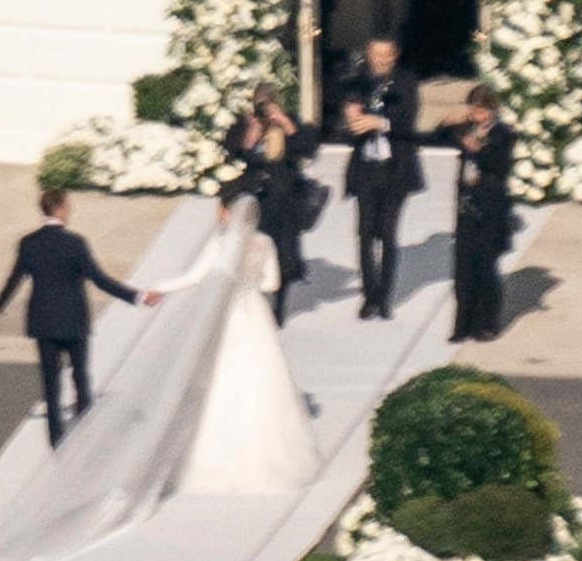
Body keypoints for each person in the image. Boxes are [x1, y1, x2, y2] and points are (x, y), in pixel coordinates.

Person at [152, 190, 322, 492]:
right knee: (260, 376)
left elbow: (194, 277)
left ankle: (216, 454)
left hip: (229, 315)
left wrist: (158, 287)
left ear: (226, 213)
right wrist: (250, 284)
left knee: (221, 376)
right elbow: (273, 283)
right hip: (254, 312)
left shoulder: (221, 244)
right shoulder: (264, 243)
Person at [0, 189, 162, 448]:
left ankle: (56, 442)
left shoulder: (29, 243)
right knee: (80, 379)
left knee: (51, 386)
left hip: (43, 322)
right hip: (73, 320)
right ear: (60, 209)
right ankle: (85, 438)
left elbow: (15, 278)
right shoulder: (75, 243)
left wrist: (1, 303)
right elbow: (99, 279)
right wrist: (138, 297)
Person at [342, 34, 424, 320]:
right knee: (365, 233)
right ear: (369, 53)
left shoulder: (406, 81)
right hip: (366, 168)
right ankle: (369, 295)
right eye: (377, 54)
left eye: (387, 54)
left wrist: (381, 122)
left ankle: (385, 295)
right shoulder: (358, 80)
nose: (382, 59)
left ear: (395, 54)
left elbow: (408, 118)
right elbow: (345, 114)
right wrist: (350, 115)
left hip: (395, 170)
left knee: (388, 234)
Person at [224, 83, 319, 327]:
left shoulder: (289, 123)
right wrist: (251, 136)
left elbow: (308, 149)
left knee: (283, 253)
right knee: (253, 252)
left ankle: (279, 304)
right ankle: (254, 301)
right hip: (255, 197)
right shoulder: (245, 126)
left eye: (268, 104)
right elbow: (235, 152)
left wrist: (286, 125)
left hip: (284, 197)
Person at [435, 84, 516, 342]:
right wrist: (446, 124)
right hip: (468, 207)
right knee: (463, 268)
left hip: (491, 208)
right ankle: (462, 325)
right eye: (473, 109)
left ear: (492, 111)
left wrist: (479, 152)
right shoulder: (467, 129)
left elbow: (501, 166)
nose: (476, 115)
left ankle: (486, 323)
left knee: (485, 268)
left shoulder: (503, 134)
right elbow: (436, 139)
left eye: (481, 111)